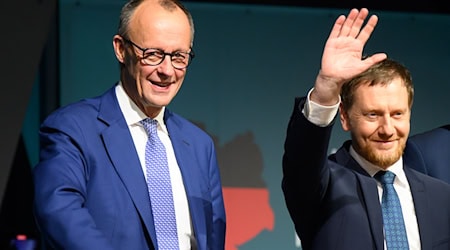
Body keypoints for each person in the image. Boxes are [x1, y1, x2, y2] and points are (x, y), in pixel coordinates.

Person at [32, 0, 226, 249]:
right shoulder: (72, 129)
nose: (167, 70)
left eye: (179, 56)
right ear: (121, 49)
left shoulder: (200, 146)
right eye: (153, 54)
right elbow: (58, 213)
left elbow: (213, 237)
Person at [281, 8, 450, 250]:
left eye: (397, 114)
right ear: (345, 117)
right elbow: (302, 161)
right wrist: (327, 88)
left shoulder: (442, 197)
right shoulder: (323, 186)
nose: (387, 129)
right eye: (373, 115)